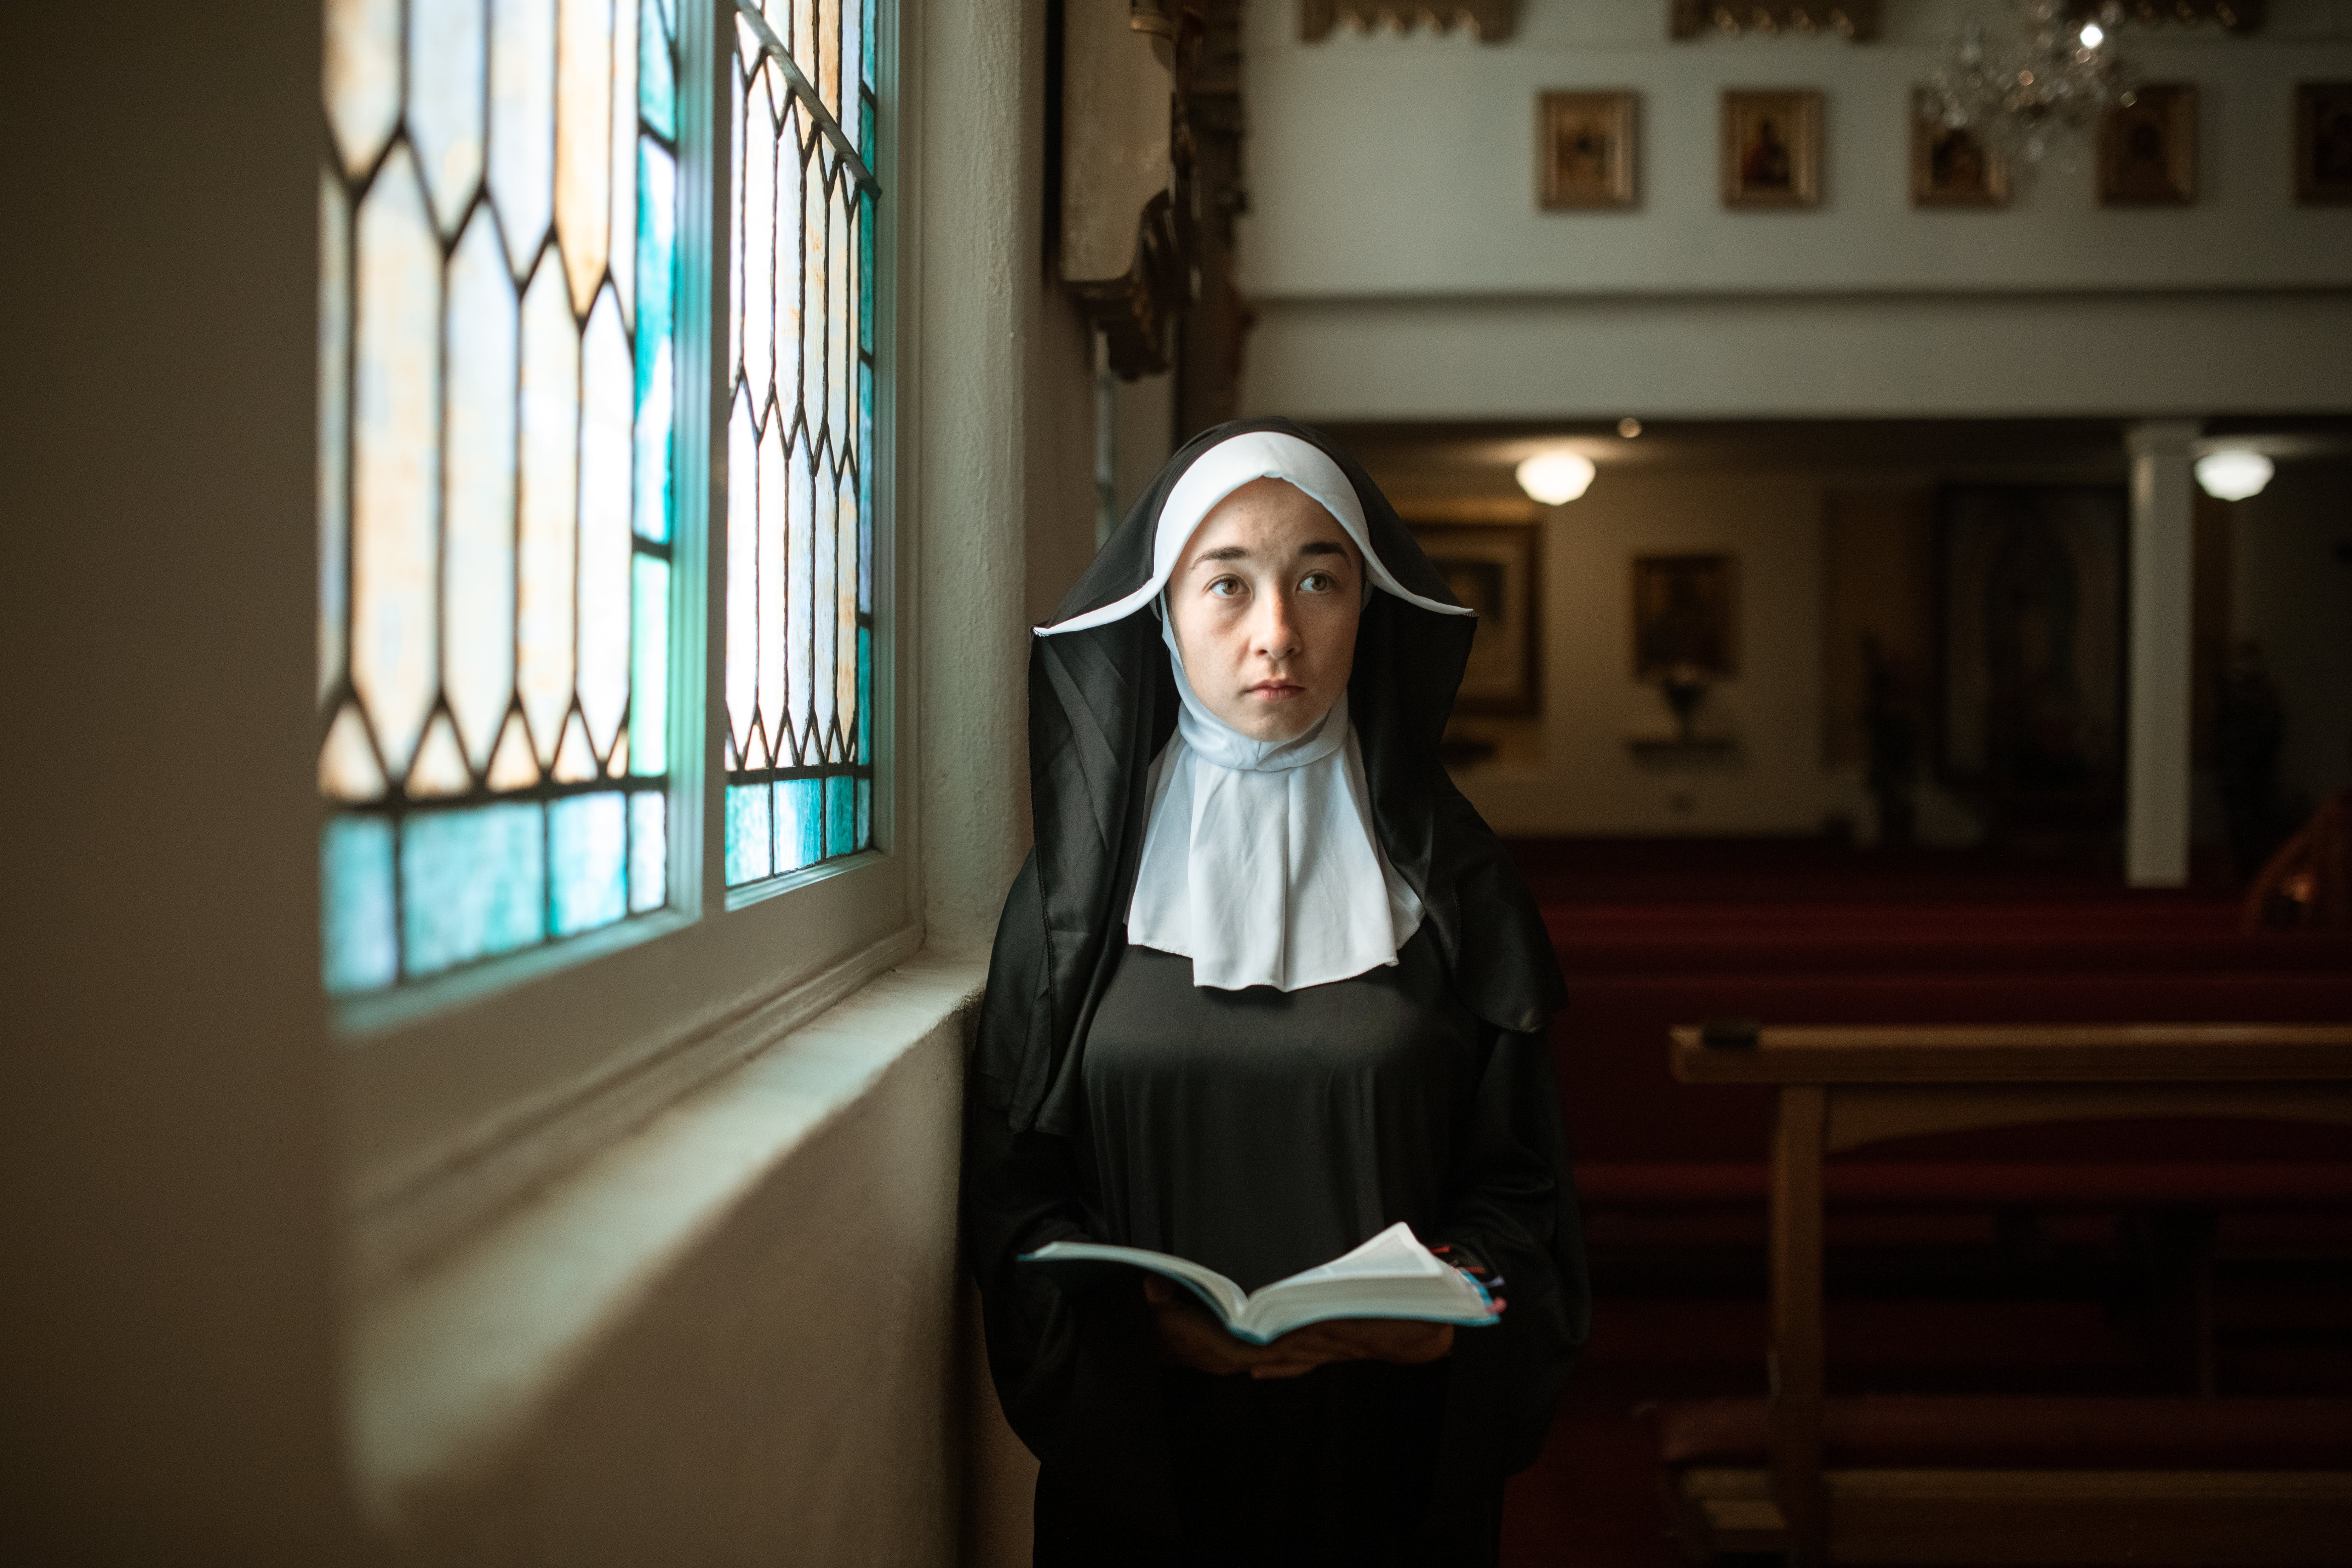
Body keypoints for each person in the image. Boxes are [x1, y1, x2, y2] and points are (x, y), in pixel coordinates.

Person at [964, 420, 1587, 1566]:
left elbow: (1526, 1201)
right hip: (1147, 1472)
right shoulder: (1067, 903)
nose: (1278, 633)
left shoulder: (1463, 889)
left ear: (1370, 609)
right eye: (1228, 583)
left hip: (1392, 1465)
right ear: (1162, 614)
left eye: (1318, 580)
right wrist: (1131, 1330)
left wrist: (1457, 1317)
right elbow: (1015, 1204)